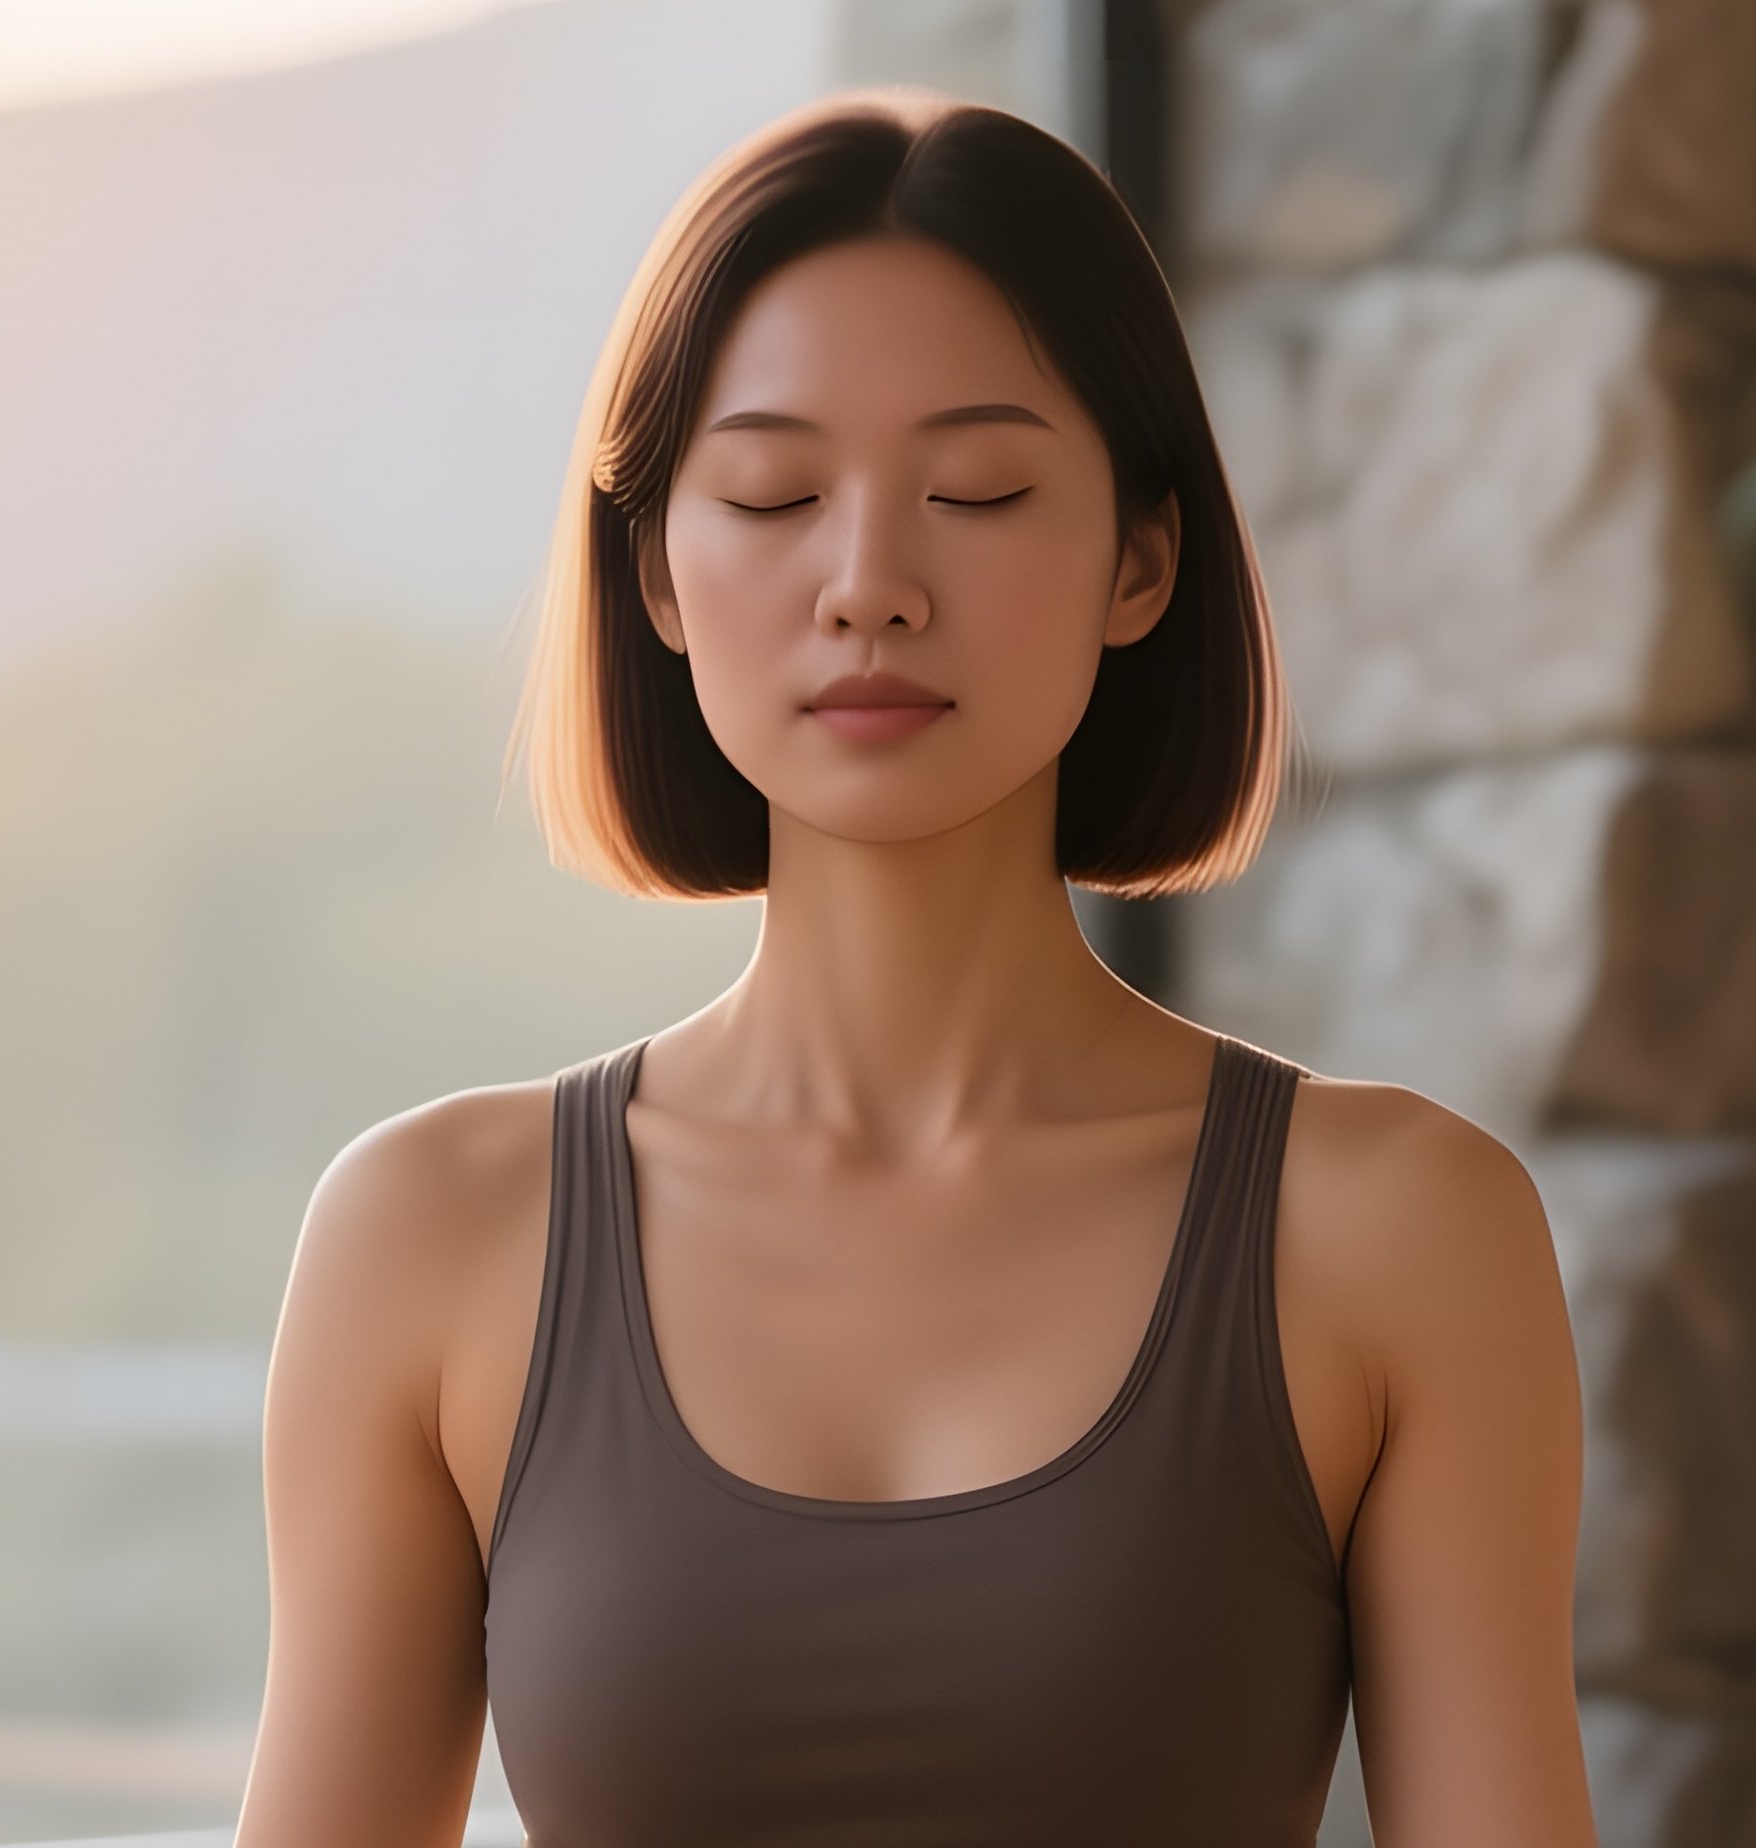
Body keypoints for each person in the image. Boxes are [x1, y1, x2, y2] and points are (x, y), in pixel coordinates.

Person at [235, 86, 1598, 1848]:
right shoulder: (427, 1240)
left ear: (1140, 563)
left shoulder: (1403, 1235)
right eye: (774, 494)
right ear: (657, 576)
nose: (868, 584)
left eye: (978, 490)